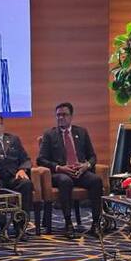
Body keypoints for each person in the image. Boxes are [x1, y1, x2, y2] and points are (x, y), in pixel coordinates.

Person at [37, 101, 103, 237]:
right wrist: (60, 168)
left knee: (96, 180)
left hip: (80, 172)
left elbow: (92, 156)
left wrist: (86, 166)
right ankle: (68, 224)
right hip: (60, 174)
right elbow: (41, 159)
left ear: (71, 116)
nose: (61, 117)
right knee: (65, 181)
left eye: (64, 114)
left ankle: (96, 224)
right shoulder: (49, 134)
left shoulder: (81, 132)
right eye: (58, 115)